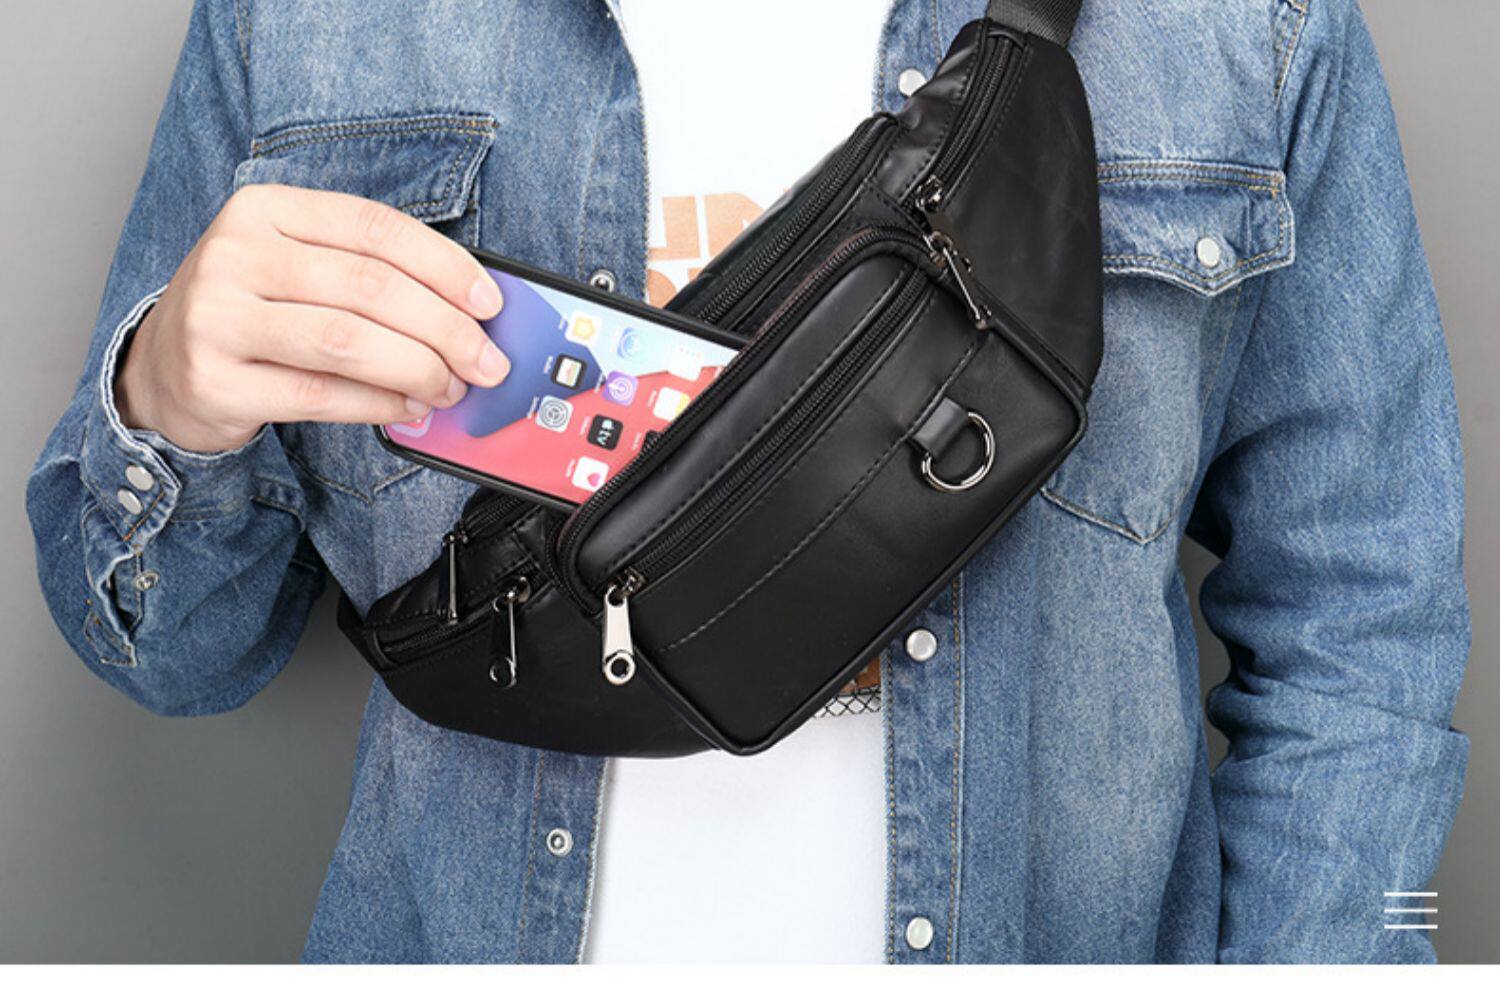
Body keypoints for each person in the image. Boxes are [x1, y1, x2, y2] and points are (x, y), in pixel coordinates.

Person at [26, 0, 1469, 964]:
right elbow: (180, 658)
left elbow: (1366, 628)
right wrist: (167, 406)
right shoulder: (309, 21)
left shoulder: (1242, 23)